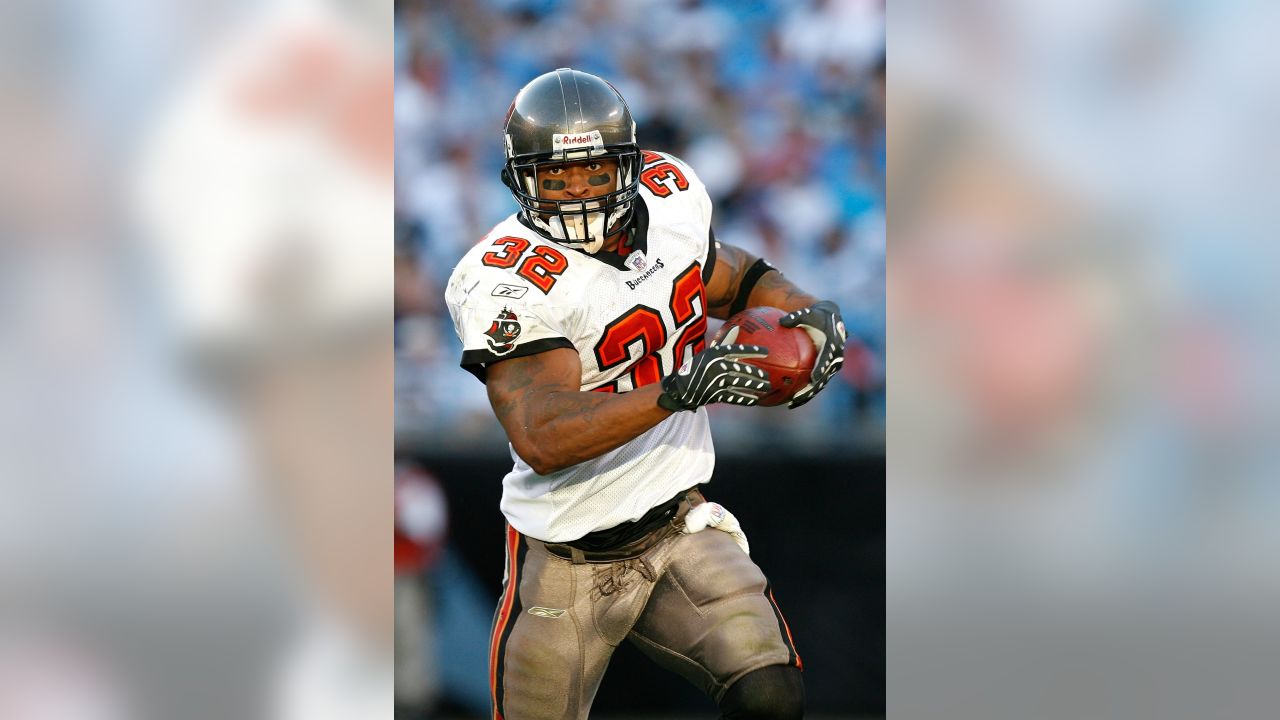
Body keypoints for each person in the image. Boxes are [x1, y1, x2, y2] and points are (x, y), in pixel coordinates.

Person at [444, 68, 846, 720]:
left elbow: (722, 275)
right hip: (566, 555)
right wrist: (684, 389)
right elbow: (542, 435)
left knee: (770, 692)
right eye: (556, 177)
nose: (576, 191)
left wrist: (801, 309)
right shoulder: (504, 278)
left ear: (629, 164)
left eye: (594, 172)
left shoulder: (672, 195)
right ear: (523, 180)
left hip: (677, 523)